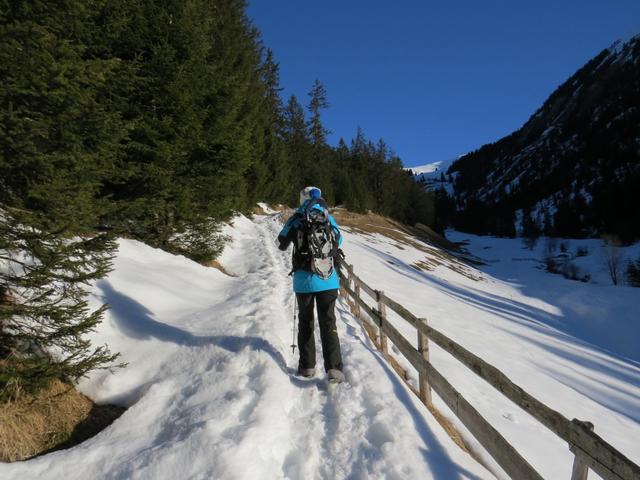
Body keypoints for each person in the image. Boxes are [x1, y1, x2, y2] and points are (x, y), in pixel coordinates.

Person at [277, 186, 345, 384]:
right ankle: (334, 369)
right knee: (328, 322)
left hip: (304, 281)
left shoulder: (297, 218)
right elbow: (339, 240)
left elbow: (281, 243)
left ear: (302, 199)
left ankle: (307, 367)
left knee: (306, 322)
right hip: (328, 279)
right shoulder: (327, 217)